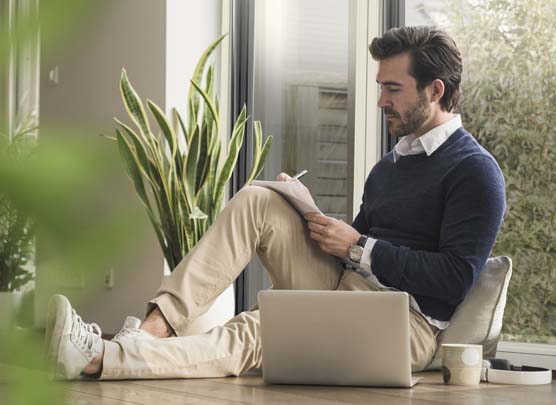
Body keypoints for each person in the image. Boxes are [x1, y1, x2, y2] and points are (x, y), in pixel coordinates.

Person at [45, 26, 506, 380]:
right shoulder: (391, 164)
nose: (380, 99)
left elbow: (453, 279)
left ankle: (100, 357)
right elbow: (362, 246)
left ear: (435, 91)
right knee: (260, 199)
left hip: (404, 323)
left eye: (393, 89)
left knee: (260, 327)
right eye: (380, 86)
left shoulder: (475, 171)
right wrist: (315, 216)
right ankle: (150, 331)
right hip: (349, 288)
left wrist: (358, 246)